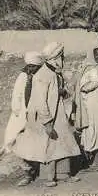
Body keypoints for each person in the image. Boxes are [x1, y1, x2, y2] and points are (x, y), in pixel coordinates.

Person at [12, 42, 81, 187]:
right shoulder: (43, 75)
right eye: (62, 56)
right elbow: (41, 101)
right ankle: (49, 177)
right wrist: (48, 123)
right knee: (49, 144)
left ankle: (64, 174)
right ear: (55, 57)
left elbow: (57, 93)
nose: (63, 59)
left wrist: (63, 92)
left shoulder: (54, 73)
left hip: (58, 116)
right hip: (47, 117)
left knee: (64, 142)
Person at [3, 51, 44, 154]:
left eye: (35, 67)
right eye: (32, 66)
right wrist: (17, 109)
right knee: (16, 130)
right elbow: (17, 94)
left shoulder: (35, 76)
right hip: (21, 110)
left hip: (30, 109)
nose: (33, 69)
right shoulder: (23, 76)